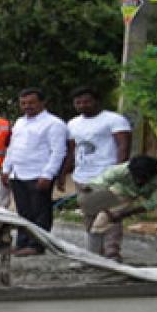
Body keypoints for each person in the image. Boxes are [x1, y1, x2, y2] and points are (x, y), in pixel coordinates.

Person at [63, 87, 132, 259]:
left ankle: (112, 251)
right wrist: (62, 174)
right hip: (82, 176)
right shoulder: (72, 123)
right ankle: (95, 252)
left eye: (86, 101)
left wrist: (118, 172)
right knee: (89, 214)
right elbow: (71, 151)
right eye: (78, 102)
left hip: (106, 174)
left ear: (96, 101)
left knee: (110, 213)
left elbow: (123, 146)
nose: (82, 105)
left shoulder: (114, 120)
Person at [79, 156, 157, 260]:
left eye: (143, 178)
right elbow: (101, 182)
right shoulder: (119, 170)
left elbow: (153, 202)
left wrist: (126, 214)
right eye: (136, 177)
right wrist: (90, 191)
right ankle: (99, 252)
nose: (139, 181)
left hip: (154, 191)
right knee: (104, 218)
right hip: (124, 190)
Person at [1, 88, 67, 256]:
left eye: (31, 102)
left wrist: (48, 174)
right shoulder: (20, 122)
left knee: (40, 212)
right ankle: (22, 243)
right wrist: (6, 168)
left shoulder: (54, 123)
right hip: (18, 173)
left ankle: (37, 245)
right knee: (23, 212)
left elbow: (58, 151)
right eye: (23, 103)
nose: (27, 106)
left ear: (42, 102)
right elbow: (12, 147)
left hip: (39, 174)